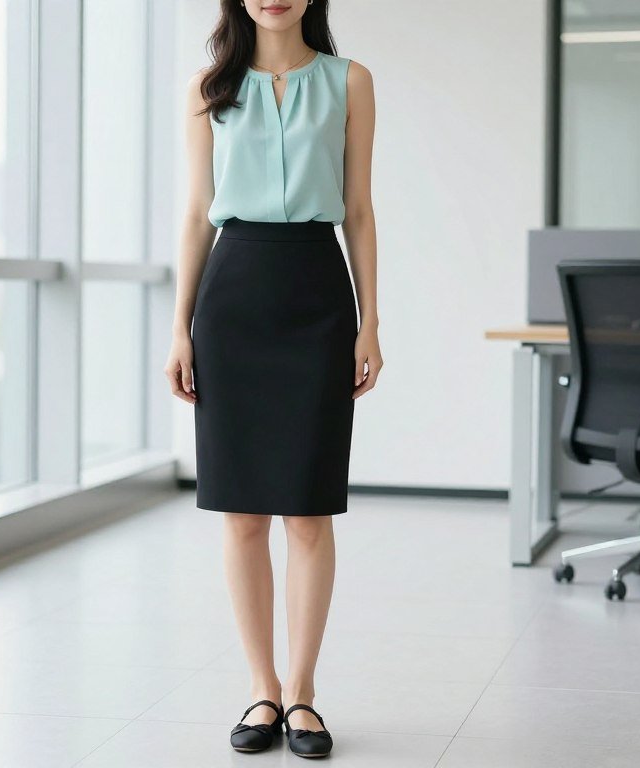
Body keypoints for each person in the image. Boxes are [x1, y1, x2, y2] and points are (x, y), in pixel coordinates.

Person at [164, 0, 380, 758]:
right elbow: (198, 214)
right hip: (233, 298)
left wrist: (370, 323)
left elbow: (359, 210)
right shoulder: (209, 89)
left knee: (309, 511)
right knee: (242, 513)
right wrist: (180, 327)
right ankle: (263, 689)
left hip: (318, 292)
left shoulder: (350, 82)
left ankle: (304, 694)